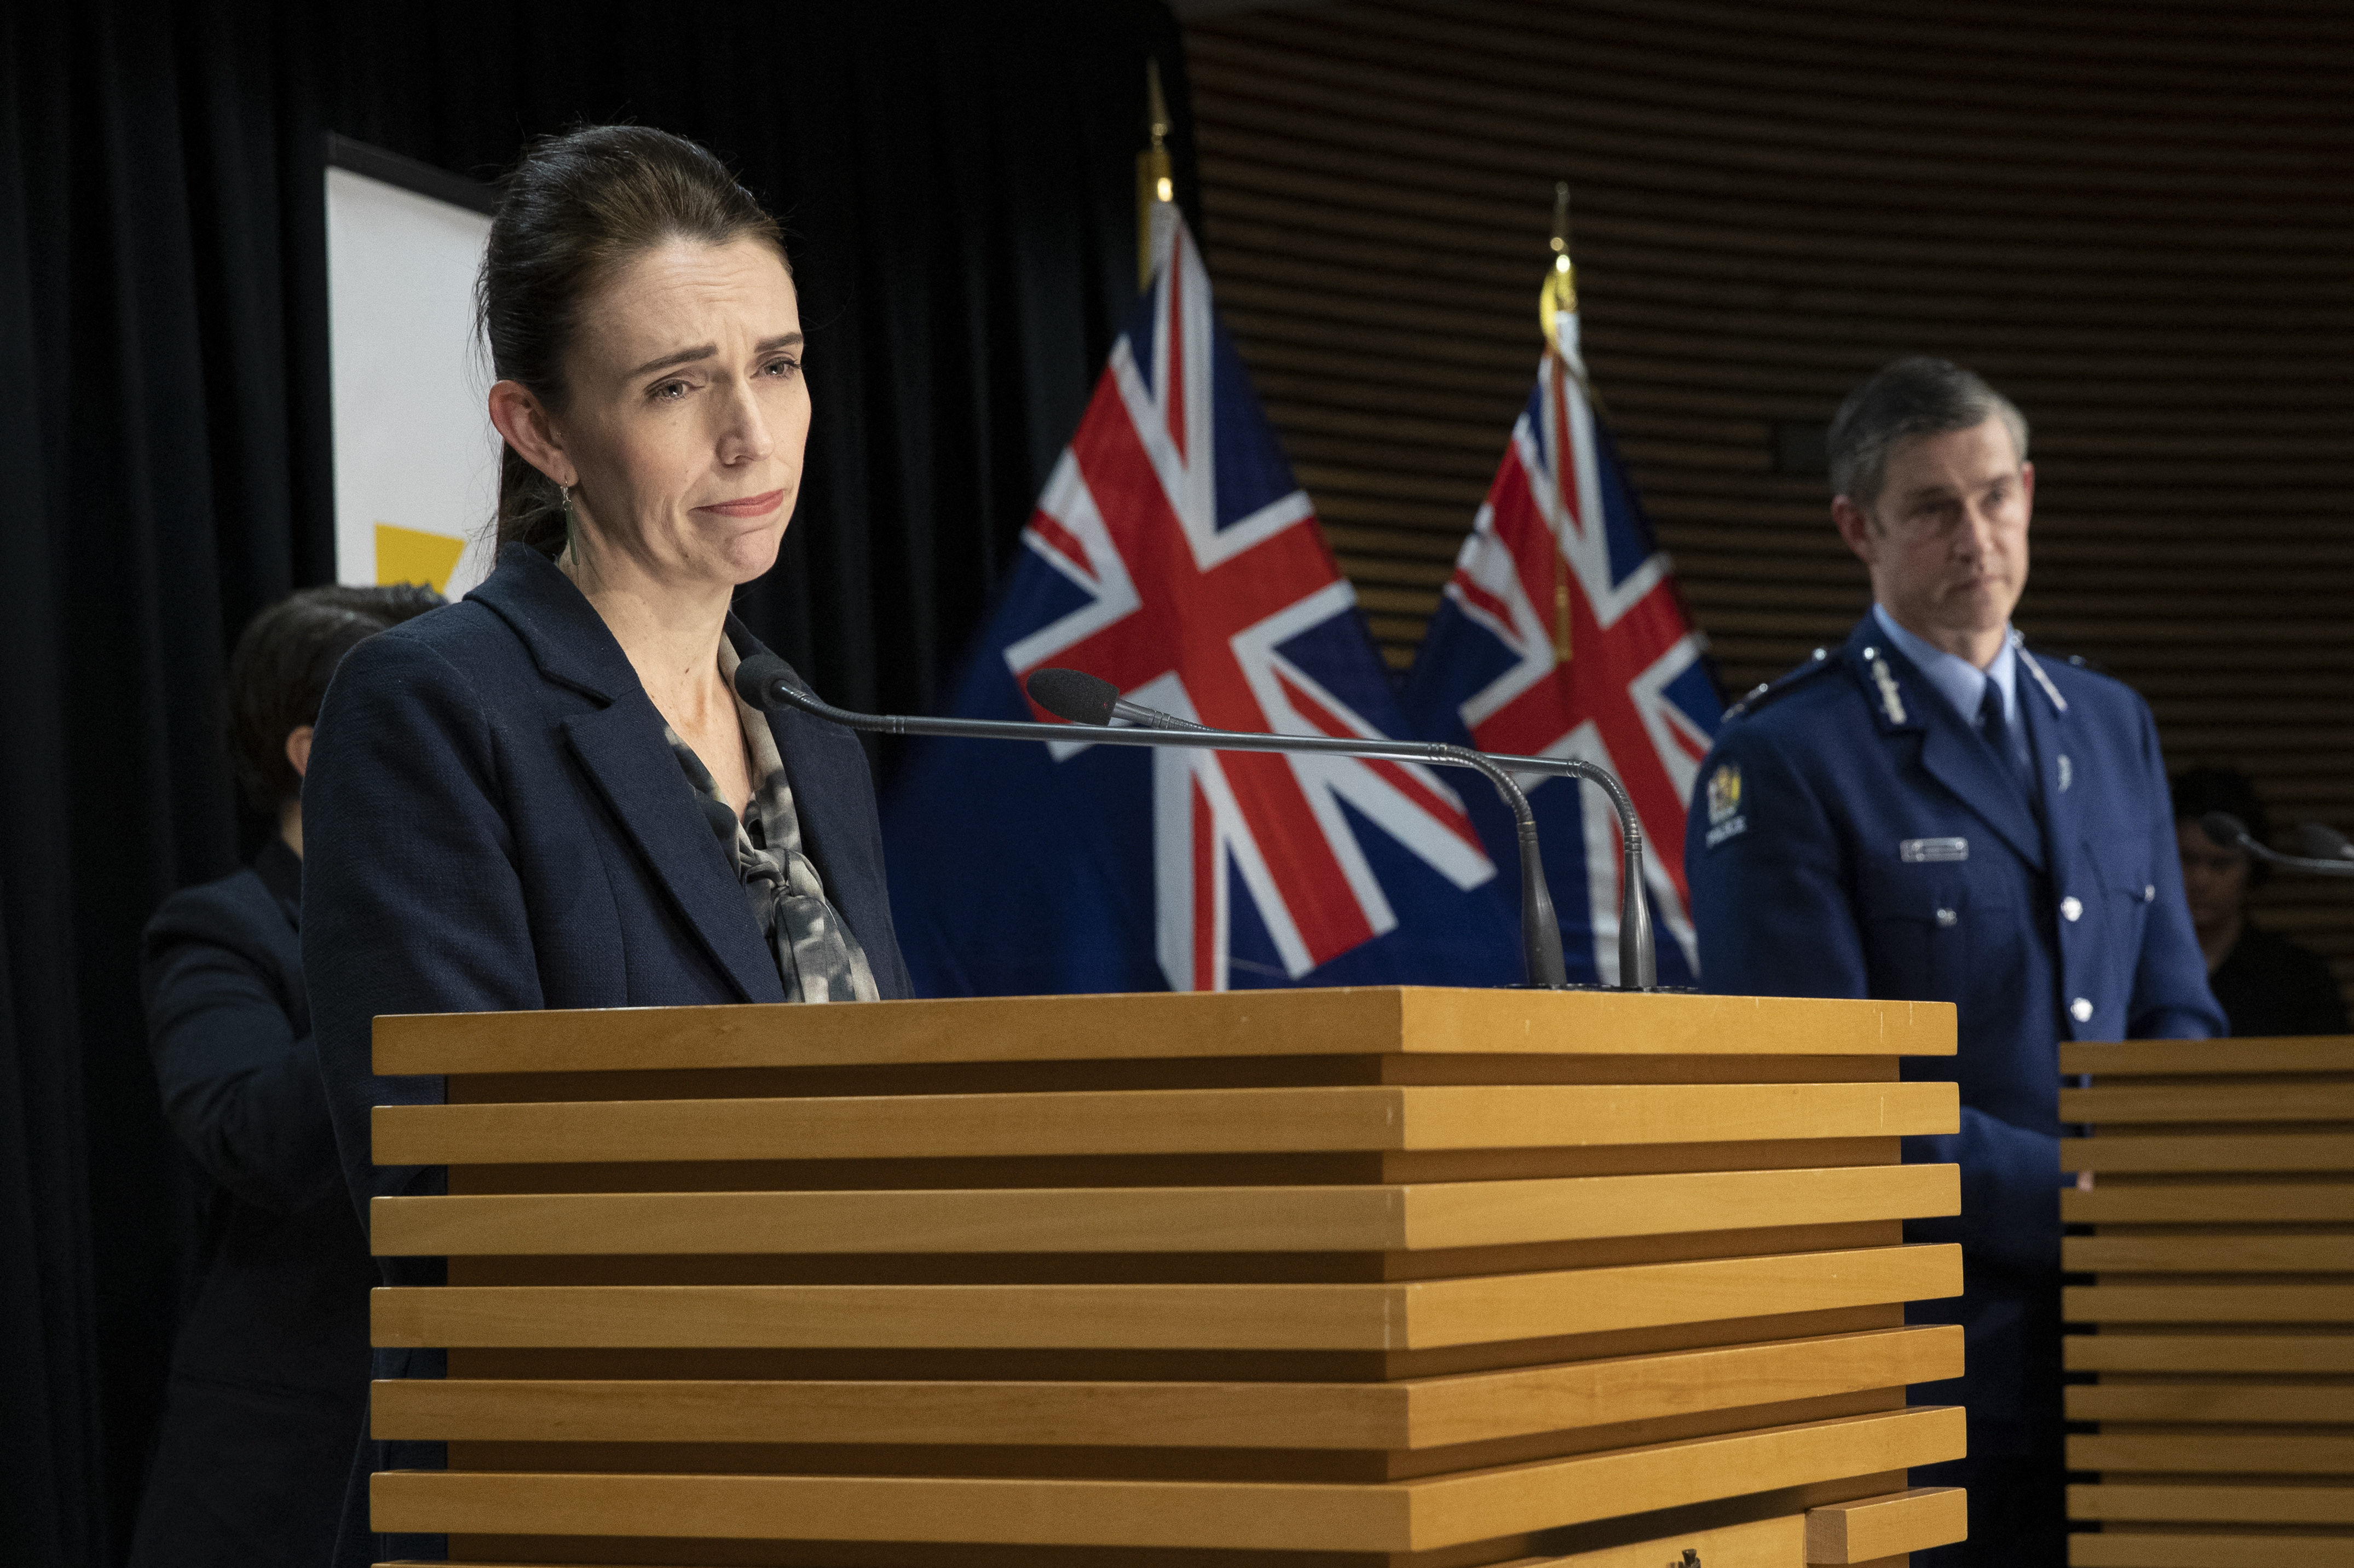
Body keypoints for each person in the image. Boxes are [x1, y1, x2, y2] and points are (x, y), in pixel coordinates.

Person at [300, 126, 914, 1567]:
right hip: (576, 1491)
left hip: (846, 1475)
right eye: (676, 388)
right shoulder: (439, 706)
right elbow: (451, 1180)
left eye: (777, 363)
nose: (750, 435)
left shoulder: (805, 728)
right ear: (541, 430)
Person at [1684, 356, 2223, 1566]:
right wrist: (2079, 1195)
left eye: (1992, 495)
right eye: (1930, 507)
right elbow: (1814, 1097)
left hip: (2144, 1338)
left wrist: (2183, 1169)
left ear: (2027, 491)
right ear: (1855, 528)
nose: (1972, 535)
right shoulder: (1782, 757)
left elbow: (2172, 1003)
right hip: (1926, 1351)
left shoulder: (2108, 719)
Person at [128, 582, 442, 1568]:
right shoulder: (223, 929)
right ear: (317, 753)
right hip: (292, 1457)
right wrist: (404, 960)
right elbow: (247, 1132)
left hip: (480, 1416)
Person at [2173, 765, 2347, 1036]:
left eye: (2221, 864)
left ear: (2251, 867)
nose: (2200, 880)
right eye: (2186, 860)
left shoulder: (2299, 979)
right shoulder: (2131, 970)